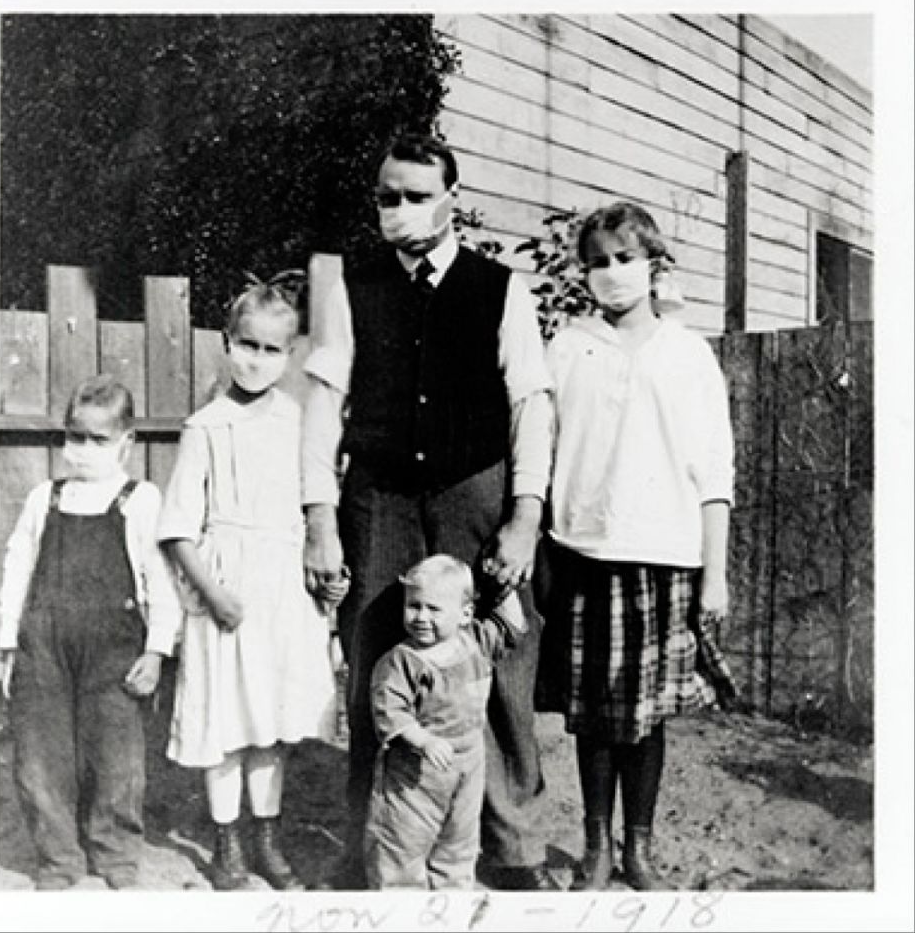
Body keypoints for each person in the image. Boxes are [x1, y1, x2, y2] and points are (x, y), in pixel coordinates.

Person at [302, 132, 558, 891]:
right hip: (377, 498)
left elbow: (531, 407)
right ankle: (373, 848)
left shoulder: (499, 288)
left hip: (474, 495)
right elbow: (322, 405)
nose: (402, 210)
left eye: (418, 196)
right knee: (376, 661)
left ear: (452, 200)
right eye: (389, 197)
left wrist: (523, 516)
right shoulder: (353, 287)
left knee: (501, 663)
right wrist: (320, 519)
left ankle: (514, 852)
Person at [538, 200, 737, 892]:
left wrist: (716, 572)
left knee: (645, 716)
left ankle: (638, 849)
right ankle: (595, 846)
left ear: (655, 264)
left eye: (625, 258)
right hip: (586, 553)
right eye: (597, 262)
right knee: (593, 715)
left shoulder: (687, 353)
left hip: (665, 553)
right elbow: (545, 444)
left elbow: (715, 468)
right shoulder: (567, 347)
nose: (613, 273)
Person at [157, 273, 342, 892]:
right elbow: (178, 527)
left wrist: (322, 586)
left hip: (285, 590)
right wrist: (213, 596)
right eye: (247, 345)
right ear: (227, 342)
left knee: (271, 724)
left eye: (272, 349)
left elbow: (315, 511)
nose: (257, 360)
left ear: (289, 354)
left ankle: (268, 839)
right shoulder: (204, 426)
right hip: (226, 588)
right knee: (226, 724)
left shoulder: (298, 421)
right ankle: (226, 842)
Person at [0, 374, 183, 890]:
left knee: (116, 757)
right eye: (74, 436)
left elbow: (160, 577)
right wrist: (7, 644)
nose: (82, 450)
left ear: (127, 442)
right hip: (44, 645)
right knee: (39, 754)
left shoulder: (138, 499)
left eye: (98, 439)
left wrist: (156, 649)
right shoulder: (45, 499)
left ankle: (116, 854)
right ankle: (58, 859)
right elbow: (17, 567)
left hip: (114, 650)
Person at [365, 555, 526, 889]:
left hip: (468, 762)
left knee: (459, 839)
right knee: (402, 841)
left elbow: (512, 627)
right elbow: (389, 710)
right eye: (414, 606)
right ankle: (401, 906)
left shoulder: (475, 642)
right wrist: (422, 740)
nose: (421, 617)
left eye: (433, 609)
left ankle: (450, 901)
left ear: (465, 614)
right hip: (415, 771)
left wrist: (504, 584)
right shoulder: (402, 661)